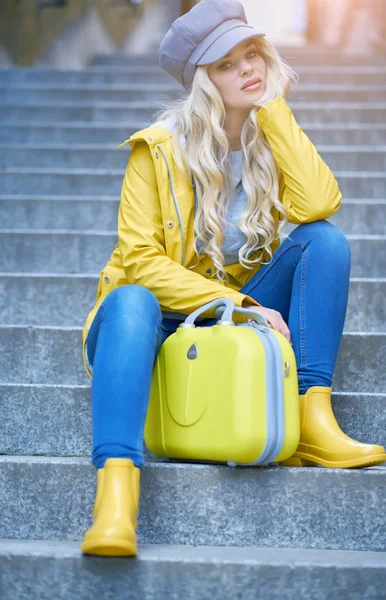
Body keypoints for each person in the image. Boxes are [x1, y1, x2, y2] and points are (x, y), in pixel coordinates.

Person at [80, 0, 386, 558]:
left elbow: (321, 203)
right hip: (151, 323)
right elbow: (143, 262)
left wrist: (275, 114)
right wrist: (239, 302)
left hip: (225, 320)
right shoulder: (158, 150)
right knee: (129, 298)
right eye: (226, 64)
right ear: (203, 81)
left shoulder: (268, 144)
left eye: (252, 54)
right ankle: (116, 500)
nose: (248, 68)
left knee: (325, 241)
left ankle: (312, 418)